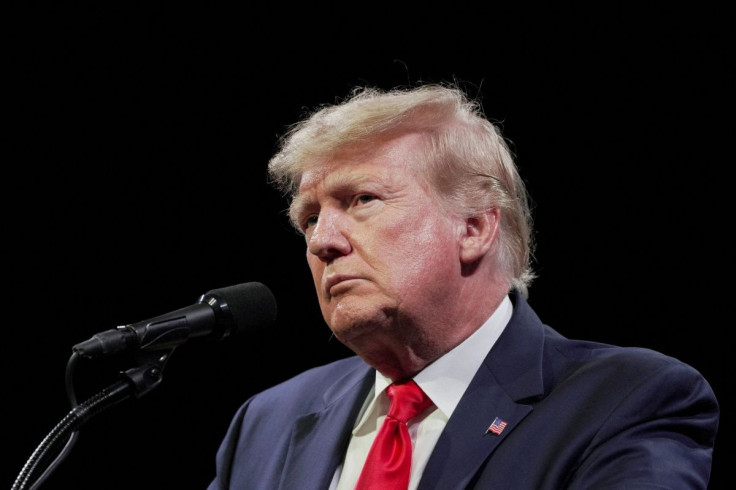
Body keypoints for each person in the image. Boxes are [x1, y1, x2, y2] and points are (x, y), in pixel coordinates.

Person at [207, 83, 719, 489]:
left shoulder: (623, 400)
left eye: (362, 199)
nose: (323, 241)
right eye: (310, 218)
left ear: (474, 227)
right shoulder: (267, 422)